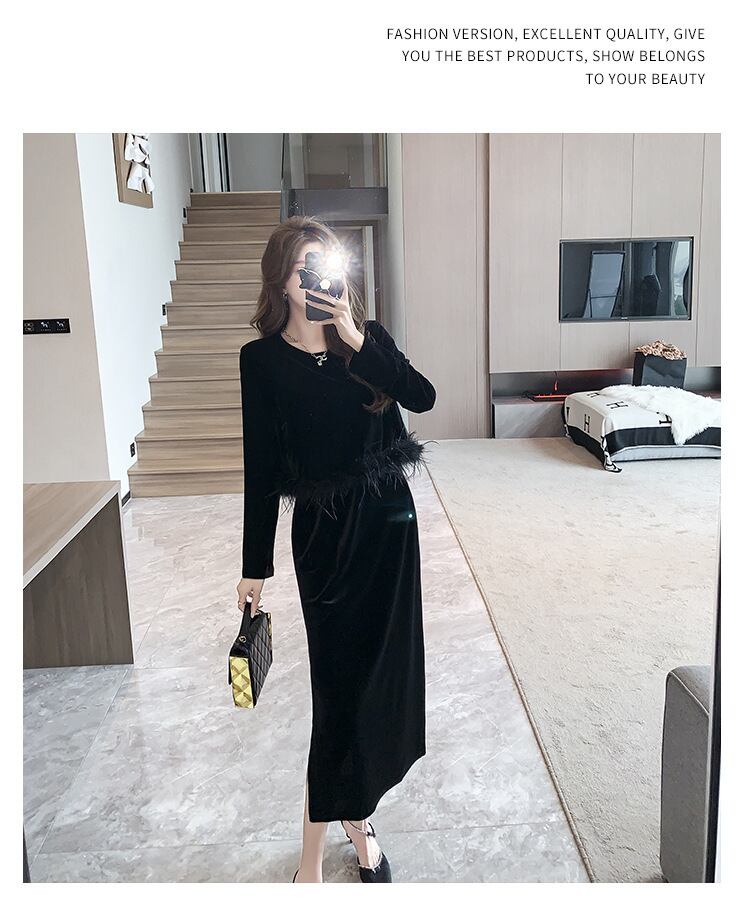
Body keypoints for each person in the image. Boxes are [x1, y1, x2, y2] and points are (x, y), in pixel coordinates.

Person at [235, 215, 436, 883]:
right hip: (325, 539)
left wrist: (355, 338)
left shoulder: (365, 338)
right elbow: (261, 469)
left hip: (389, 526)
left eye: (328, 266)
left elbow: (423, 397)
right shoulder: (261, 360)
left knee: (379, 685)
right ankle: (312, 861)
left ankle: (359, 817)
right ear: (282, 281)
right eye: (305, 268)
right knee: (338, 693)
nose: (319, 279)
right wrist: (254, 567)